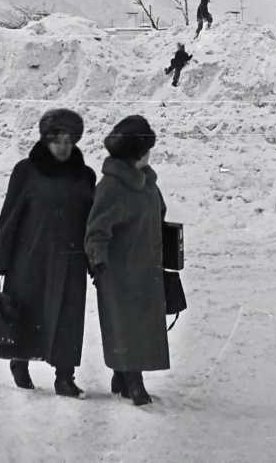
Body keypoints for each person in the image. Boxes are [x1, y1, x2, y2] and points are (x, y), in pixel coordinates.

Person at [0, 108, 97, 397]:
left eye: (68, 141)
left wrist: (94, 261)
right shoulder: (26, 171)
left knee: (69, 318)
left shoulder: (85, 175)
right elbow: (10, 215)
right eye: (57, 140)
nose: (63, 147)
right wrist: (2, 258)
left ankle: (64, 376)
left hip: (70, 260)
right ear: (46, 140)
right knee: (26, 312)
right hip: (30, 258)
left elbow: (91, 221)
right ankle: (19, 361)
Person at [85, 115, 170, 407]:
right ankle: (134, 381)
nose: (150, 154)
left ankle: (123, 377)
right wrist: (99, 263)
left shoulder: (148, 183)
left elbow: (160, 212)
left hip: (147, 268)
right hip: (118, 272)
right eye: (146, 148)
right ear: (136, 152)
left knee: (141, 325)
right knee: (126, 325)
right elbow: (96, 230)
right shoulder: (112, 186)